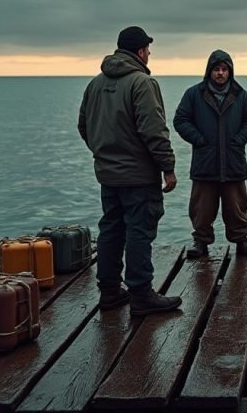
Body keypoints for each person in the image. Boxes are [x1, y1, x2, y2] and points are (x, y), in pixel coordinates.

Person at [78, 25, 182, 315]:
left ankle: (109, 291)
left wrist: (104, 153)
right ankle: (141, 294)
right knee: (139, 231)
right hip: (138, 176)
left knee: (111, 229)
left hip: (108, 174)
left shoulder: (95, 84)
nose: (149, 54)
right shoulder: (142, 83)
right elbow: (154, 131)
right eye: (148, 49)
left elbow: (83, 126)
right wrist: (168, 168)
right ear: (140, 51)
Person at [173, 50, 247, 259]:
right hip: (205, 161)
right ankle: (200, 242)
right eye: (216, 69)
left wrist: (239, 140)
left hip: (233, 161)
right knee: (202, 208)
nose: (220, 73)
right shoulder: (194, 94)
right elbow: (181, 120)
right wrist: (199, 139)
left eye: (224, 69)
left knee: (237, 207)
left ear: (230, 72)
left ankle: (242, 242)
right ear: (209, 71)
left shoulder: (240, 94)